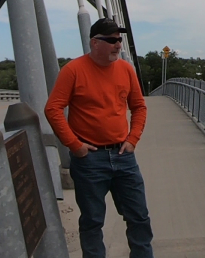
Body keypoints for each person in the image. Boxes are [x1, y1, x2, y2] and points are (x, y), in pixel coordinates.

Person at [44, 18, 153, 258]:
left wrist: (133, 139)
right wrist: (75, 146)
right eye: (112, 40)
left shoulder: (126, 69)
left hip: (124, 156)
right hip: (90, 160)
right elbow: (53, 108)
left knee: (139, 217)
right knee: (92, 221)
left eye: (119, 40)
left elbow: (139, 107)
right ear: (95, 42)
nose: (118, 45)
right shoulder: (73, 70)